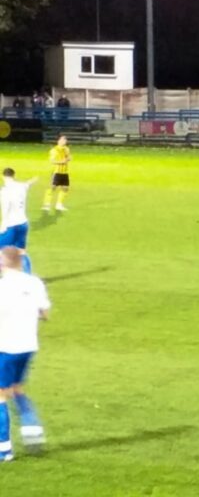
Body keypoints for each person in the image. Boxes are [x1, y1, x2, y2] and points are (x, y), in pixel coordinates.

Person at [0, 246, 51, 461]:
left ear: (4, 263)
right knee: (17, 389)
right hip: (29, 346)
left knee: (1, 396)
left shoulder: (3, 287)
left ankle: (4, 451)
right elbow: (45, 314)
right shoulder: (35, 282)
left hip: (7, 347)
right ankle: (33, 431)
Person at [0, 169, 35, 274]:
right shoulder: (21, 186)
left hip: (10, 225)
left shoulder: (5, 191)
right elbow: (27, 184)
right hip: (23, 223)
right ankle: (28, 275)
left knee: (2, 250)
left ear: (3, 176)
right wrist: (33, 180)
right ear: (13, 175)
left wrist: (3, 224)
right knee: (21, 251)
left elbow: (7, 207)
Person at [41, 135, 71, 213]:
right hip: (56, 172)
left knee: (65, 188)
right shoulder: (54, 150)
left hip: (65, 172)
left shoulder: (67, 149)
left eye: (65, 140)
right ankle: (46, 204)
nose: (64, 141)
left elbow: (69, 157)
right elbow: (52, 161)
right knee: (52, 187)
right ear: (58, 141)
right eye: (62, 139)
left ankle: (59, 204)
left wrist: (68, 158)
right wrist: (61, 162)